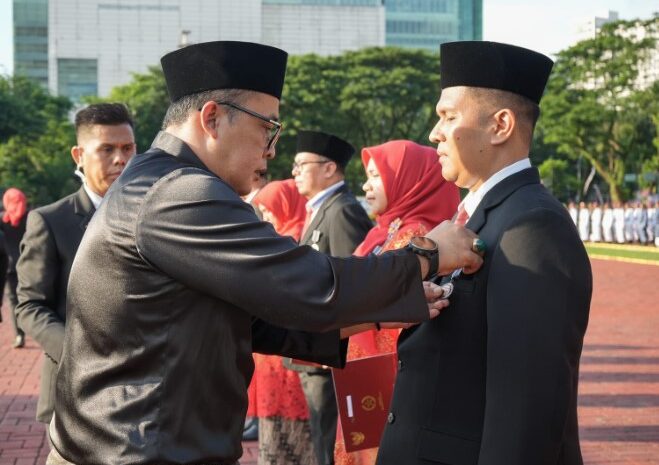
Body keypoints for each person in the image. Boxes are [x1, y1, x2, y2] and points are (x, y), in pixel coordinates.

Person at [47, 41, 482, 465]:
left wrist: (376, 313)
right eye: (267, 127)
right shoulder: (177, 192)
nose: (272, 150)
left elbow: (256, 323)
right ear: (212, 118)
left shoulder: (161, 182)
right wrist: (425, 254)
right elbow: (309, 281)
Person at [376, 41, 592, 465]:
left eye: (448, 117)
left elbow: (526, 409)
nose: (434, 133)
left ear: (501, 125)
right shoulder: (478, 218)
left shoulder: (531, 227)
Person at [334, 140, 459, 465]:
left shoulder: (418, 238)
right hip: (364, 374)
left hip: (387, 381)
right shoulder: (387, 231)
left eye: (376, 176)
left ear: (408, 179)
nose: (366, 185)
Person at [15, 103, 136, 426]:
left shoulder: (151, 216)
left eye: (128, 148)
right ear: (78, 155)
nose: (120, 159)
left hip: (143, 397)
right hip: (75, 394)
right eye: (106, 149)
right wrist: (83, 355)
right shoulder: (50, 221)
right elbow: (30, 306)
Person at [287, 129, 373, 465]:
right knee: (322, 439)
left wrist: (339, 342)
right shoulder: (321, 209)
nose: (294, 172)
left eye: (301, 165)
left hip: (329, 353)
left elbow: (353, 282)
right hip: (314, 348)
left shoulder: (342, 211)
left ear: (329, 168)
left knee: (331, 444)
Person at [249, 178, 317, 465]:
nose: (267, 217)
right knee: (273, 430)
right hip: (272, 351)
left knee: (296, 434)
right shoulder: (277, 237)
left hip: (291, 350)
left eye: (271, 210)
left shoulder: (294, 239)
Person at [1, 187, 29, 348]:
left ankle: (19, 334)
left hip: (9, 267)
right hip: (29, 265)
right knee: (32, 298)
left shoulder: (2, 220)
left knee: (13, 300)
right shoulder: (30, 218)